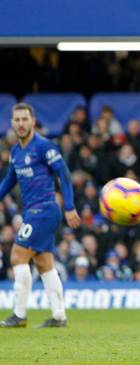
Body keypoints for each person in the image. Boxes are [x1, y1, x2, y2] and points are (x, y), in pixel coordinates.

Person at [0, 103, 80, 328]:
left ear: (33, 122)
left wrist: (70, 206)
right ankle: (59, 316)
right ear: (12, 123)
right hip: (33, 212)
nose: (21, 124)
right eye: (17, 120)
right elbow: (9, 181)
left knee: (17, 255)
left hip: (44, 210)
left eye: (25, 119)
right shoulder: (16, 151)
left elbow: (63, 174)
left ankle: (19, 315)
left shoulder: (44, 147)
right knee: (44, 263)